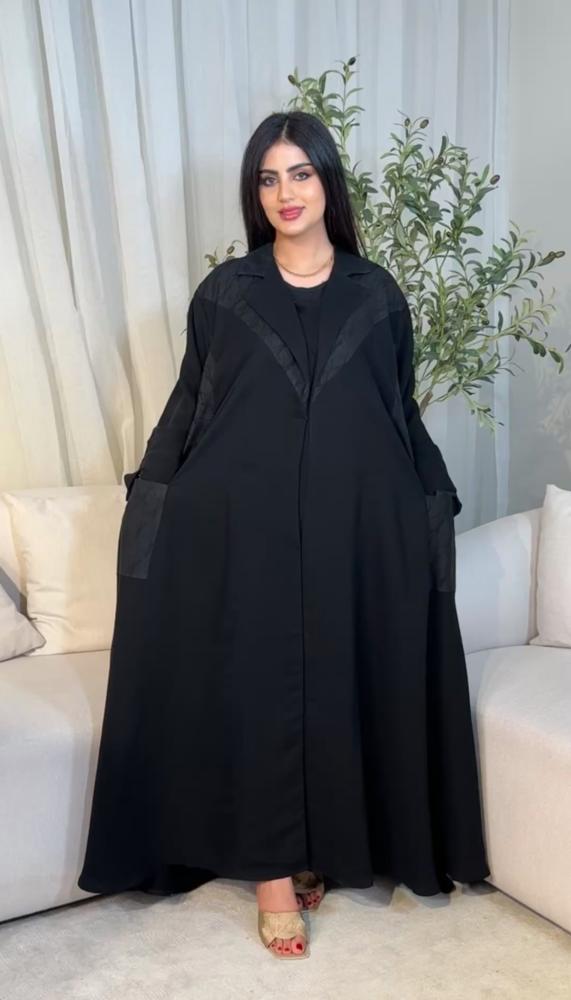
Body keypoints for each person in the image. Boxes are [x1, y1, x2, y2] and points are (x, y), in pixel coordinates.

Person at [78, 111, 490, 961]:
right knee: (260, 692)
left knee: (333, 683)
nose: (284, 193)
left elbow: (395, 406)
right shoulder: (226, 293)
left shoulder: (376, 293)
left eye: (299, 173)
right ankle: (271, 879)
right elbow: (192, 402)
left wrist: (427, 493)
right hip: (243, 525)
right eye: (267, 178)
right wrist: (156, 494)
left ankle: (317, 849)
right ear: (254, 193)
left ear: (327, 181)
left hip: (351, 523)